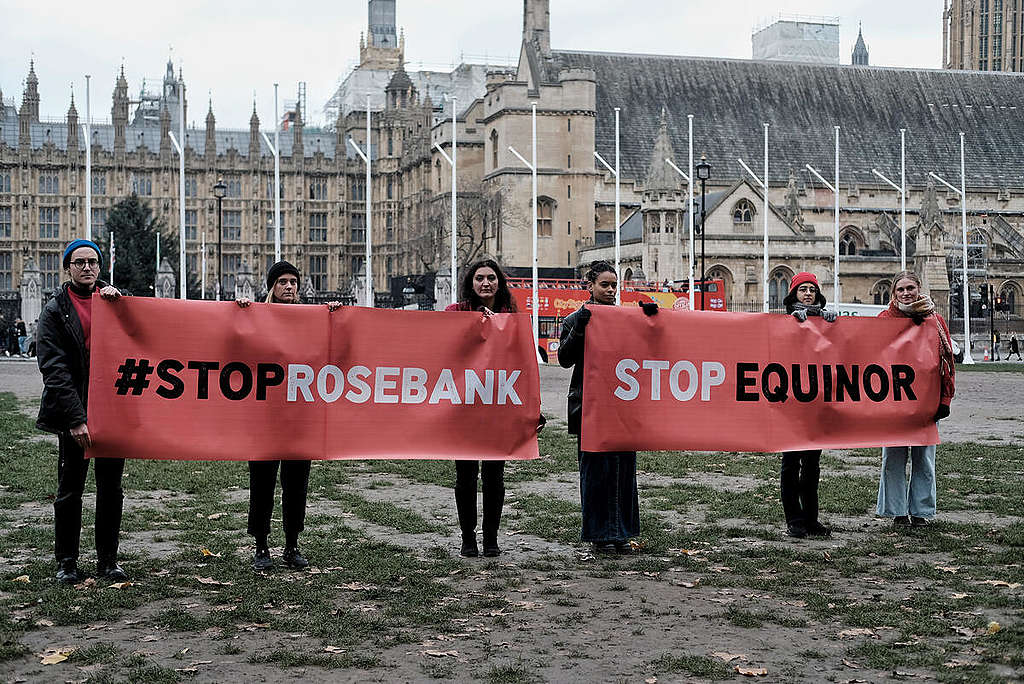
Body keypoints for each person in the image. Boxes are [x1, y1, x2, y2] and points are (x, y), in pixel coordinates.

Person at [236, 261, 341, 571]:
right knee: (262, 483)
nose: (289, 287)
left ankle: (292, 544)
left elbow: (335, 348)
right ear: (272, 287)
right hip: (265, 417)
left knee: (296, 484)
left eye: (293, 281)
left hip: (299, 416)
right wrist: (240, 312)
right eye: (282, 281)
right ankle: (261, 545)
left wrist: (335, 316)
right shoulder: (256, 317)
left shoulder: (312, 320)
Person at [36, 239, 126, 584]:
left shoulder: (115, 302)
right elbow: (54, 369)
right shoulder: (55, 310)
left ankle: (107, 560)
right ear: (68, 268)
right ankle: (67, 561)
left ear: (100, 267)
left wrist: (123, 306)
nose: (86, 267)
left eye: (92, 262)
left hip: (111, 412)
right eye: (79, 262)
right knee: (71, 488)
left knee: (110, 488)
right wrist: (76, 418)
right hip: (73, 412)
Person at [558, 261, 657, 554]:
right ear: (590, 285)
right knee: (595, 473)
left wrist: (653, 320)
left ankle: (622, 534)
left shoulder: (627, 317)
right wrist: (579, 329)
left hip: (623, 405)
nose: (611, 290)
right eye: (604, 284)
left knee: (624, 471)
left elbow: (652, 348)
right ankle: (601, 535)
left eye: (614, 285)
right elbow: (564, 358)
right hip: (591, 406)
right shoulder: (575, 318)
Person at [444, 259, 520, 557]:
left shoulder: (511, 317)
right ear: (471, 283)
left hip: (496, 408)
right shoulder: (455, 313)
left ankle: (491, 538)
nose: (485, 283)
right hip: (464, 407)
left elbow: (520, 363)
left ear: (499, 282)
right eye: (479, 278)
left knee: (494, 477)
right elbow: (442, 346)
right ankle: (467, 537)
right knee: (465, 477)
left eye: (491, 278)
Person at [876, 271, 955, 528]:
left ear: (919, 288)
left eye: (910, 288)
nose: (906, 293)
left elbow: (947, 363)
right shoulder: (884, 320)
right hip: (894, 403)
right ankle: (897, 511)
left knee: (924, 458)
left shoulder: (935, 321)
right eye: (901, 289)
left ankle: (921, 511)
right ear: (894, 293)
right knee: (893, 459)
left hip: (926, 402)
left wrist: (945, 399)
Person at [780, 272, 838, 539]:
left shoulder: (824, 320)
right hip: (791, 401)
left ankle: (811, 517)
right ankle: (794, 518)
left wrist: (833, 326)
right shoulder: (783, 320)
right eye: (803, 289)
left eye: (812, 290)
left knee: (812, 463)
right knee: (791, 462)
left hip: (815, 401)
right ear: (794, 294)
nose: (808, 294)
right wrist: (790, 324)